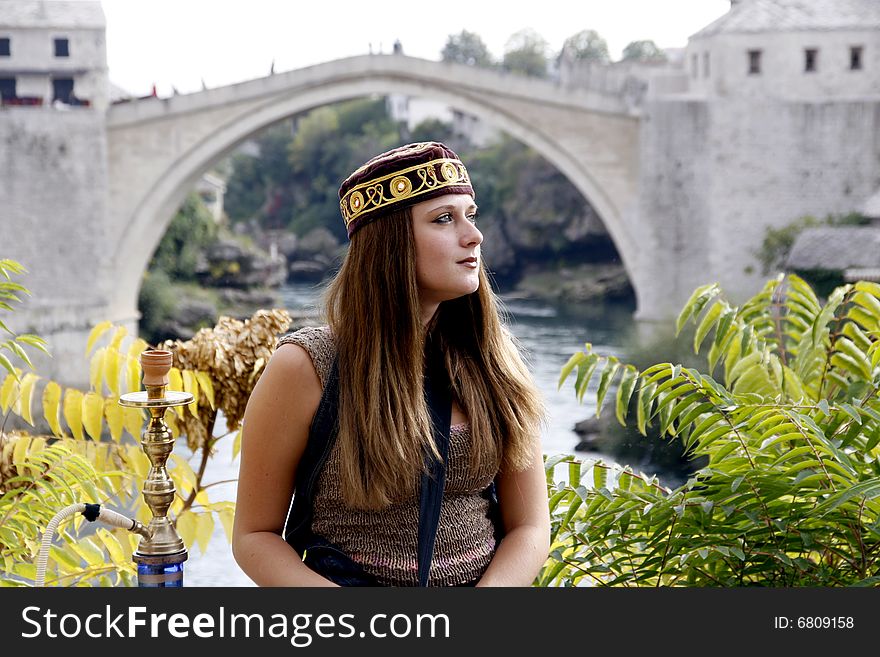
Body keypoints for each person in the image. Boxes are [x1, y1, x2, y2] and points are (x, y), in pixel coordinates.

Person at [232, 141, 550, 586]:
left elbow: (530, 527)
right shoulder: (307, 368)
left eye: (470, 215)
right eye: (444, 219)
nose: (473, 235)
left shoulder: (494, 364)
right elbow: (254, 536)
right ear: (391, 243)